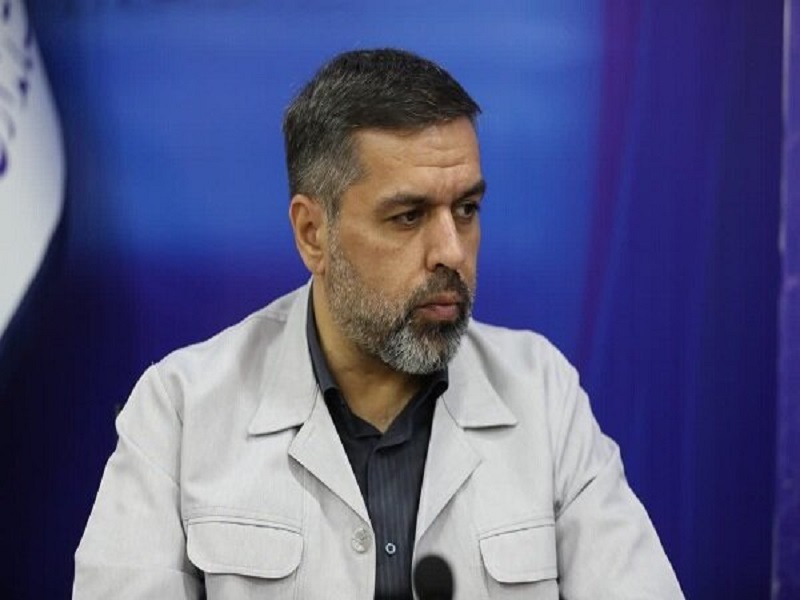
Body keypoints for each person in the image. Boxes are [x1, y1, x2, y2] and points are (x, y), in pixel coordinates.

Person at [73, 48, 684, 599]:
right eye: (408, 216)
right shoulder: (182, 409)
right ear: (313, 233)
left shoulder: (542, 394)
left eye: (466, 209)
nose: (451, 251)